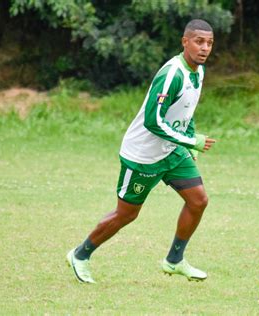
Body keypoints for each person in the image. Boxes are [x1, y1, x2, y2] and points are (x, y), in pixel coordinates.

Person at [66, 19, 216, 284]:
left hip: (172, 151)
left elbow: (186, 111)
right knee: (127, 214)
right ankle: (80, 254)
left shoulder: (199, 72)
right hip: (143, 157)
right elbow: (153, 120)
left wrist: (187, 141)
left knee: (198, 201)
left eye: (209, 43)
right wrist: (191, 141)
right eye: (199, 41)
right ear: (185, 42)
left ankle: (174, 260)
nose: (205, 48)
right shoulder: (172, 74)